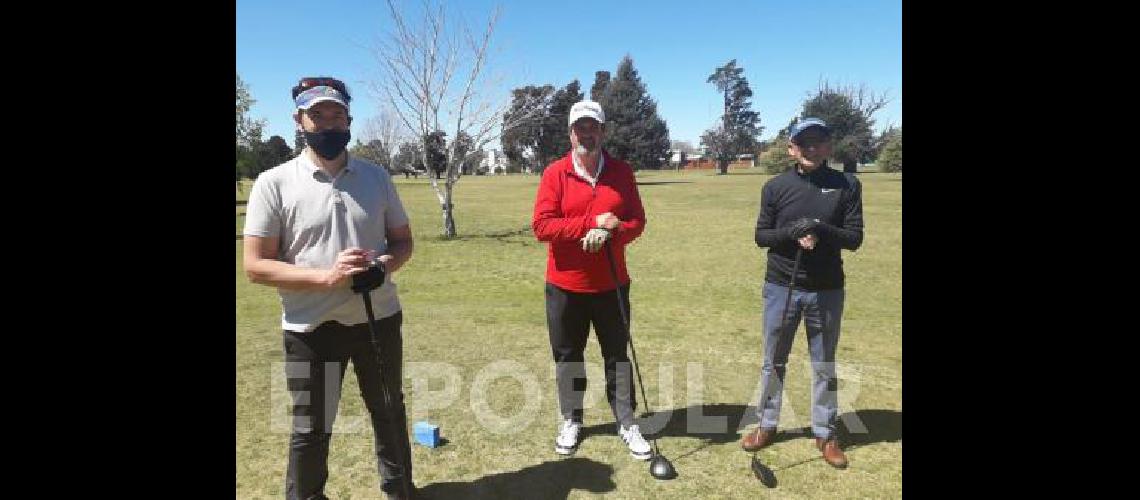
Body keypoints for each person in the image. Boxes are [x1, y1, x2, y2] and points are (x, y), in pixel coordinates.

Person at [242, 76, 417, 500]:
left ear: (349, 119)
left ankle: (400, 491)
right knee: (312, 426)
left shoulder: (376, 177)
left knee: (389, 412)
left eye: (336, 114)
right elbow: (255, 266)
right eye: (317, 115)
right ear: (299, 121)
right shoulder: (274, 182)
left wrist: (383, 265)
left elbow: (403, 241)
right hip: (310, 328)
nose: (328, 123)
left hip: (377, 321)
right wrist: (326, 277)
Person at [740, 117, 864, 469]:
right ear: (791, 147)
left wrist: (820, 228)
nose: (810, 148)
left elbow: (854, 239)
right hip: (781, 286)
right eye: (803, 142)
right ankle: (766, 424)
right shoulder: (776, 187)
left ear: (828, 147)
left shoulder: (847, 185)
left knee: (823, 364)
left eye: (818, 141)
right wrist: (792, 232)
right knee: (773, 360)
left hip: (826, 289)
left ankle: (825, 433)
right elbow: (762, 236)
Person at [532, 100, 651, 460]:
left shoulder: (621, 172)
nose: (587, 133)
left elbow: (636, 221)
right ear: (570, 133)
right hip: (565, 285)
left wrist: (614, 230)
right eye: (580, 127)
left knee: (617, 356)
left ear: (603, 131)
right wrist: (591, 224)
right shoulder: (555, 174)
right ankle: (572, 418)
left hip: (612, 283)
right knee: (568, 356)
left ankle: (627, 421)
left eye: (593, 127)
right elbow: (542, 226)